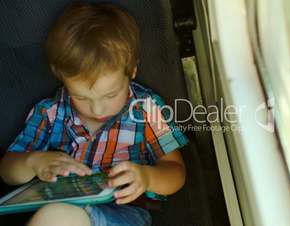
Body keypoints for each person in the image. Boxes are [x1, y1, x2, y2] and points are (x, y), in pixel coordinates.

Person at [0, 3, 188, 226]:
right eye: (81, 97)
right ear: (62, 78)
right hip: (65, 203)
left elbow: (176, 173)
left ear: (132, 70)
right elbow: (7, 170)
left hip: (122, 212)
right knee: (58, 215)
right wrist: (33, 162)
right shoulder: (50, 112)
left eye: (110, 95)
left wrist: (146, 177)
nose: (98, 109)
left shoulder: (147, 109)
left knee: (57, 217)